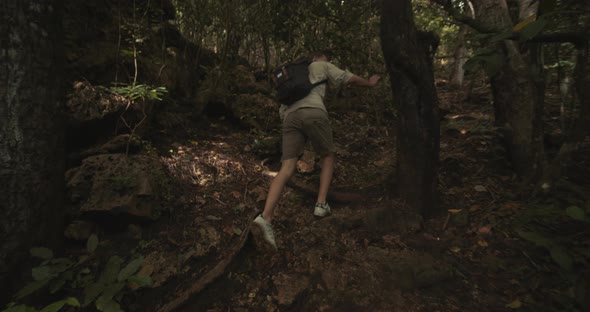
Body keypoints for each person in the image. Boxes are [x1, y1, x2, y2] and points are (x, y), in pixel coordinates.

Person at [252, 51, 381, 249]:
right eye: (327, 58)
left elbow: (282, 107)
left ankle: (265, 217)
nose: (328, 61)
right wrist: (370, 83)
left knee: (286, 168)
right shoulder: (322, 65)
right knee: (327, 156)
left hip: (290, 118)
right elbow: (347, 78)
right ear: (319, 58)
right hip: (314, 111)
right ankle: (321, 204)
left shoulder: (294, 74)